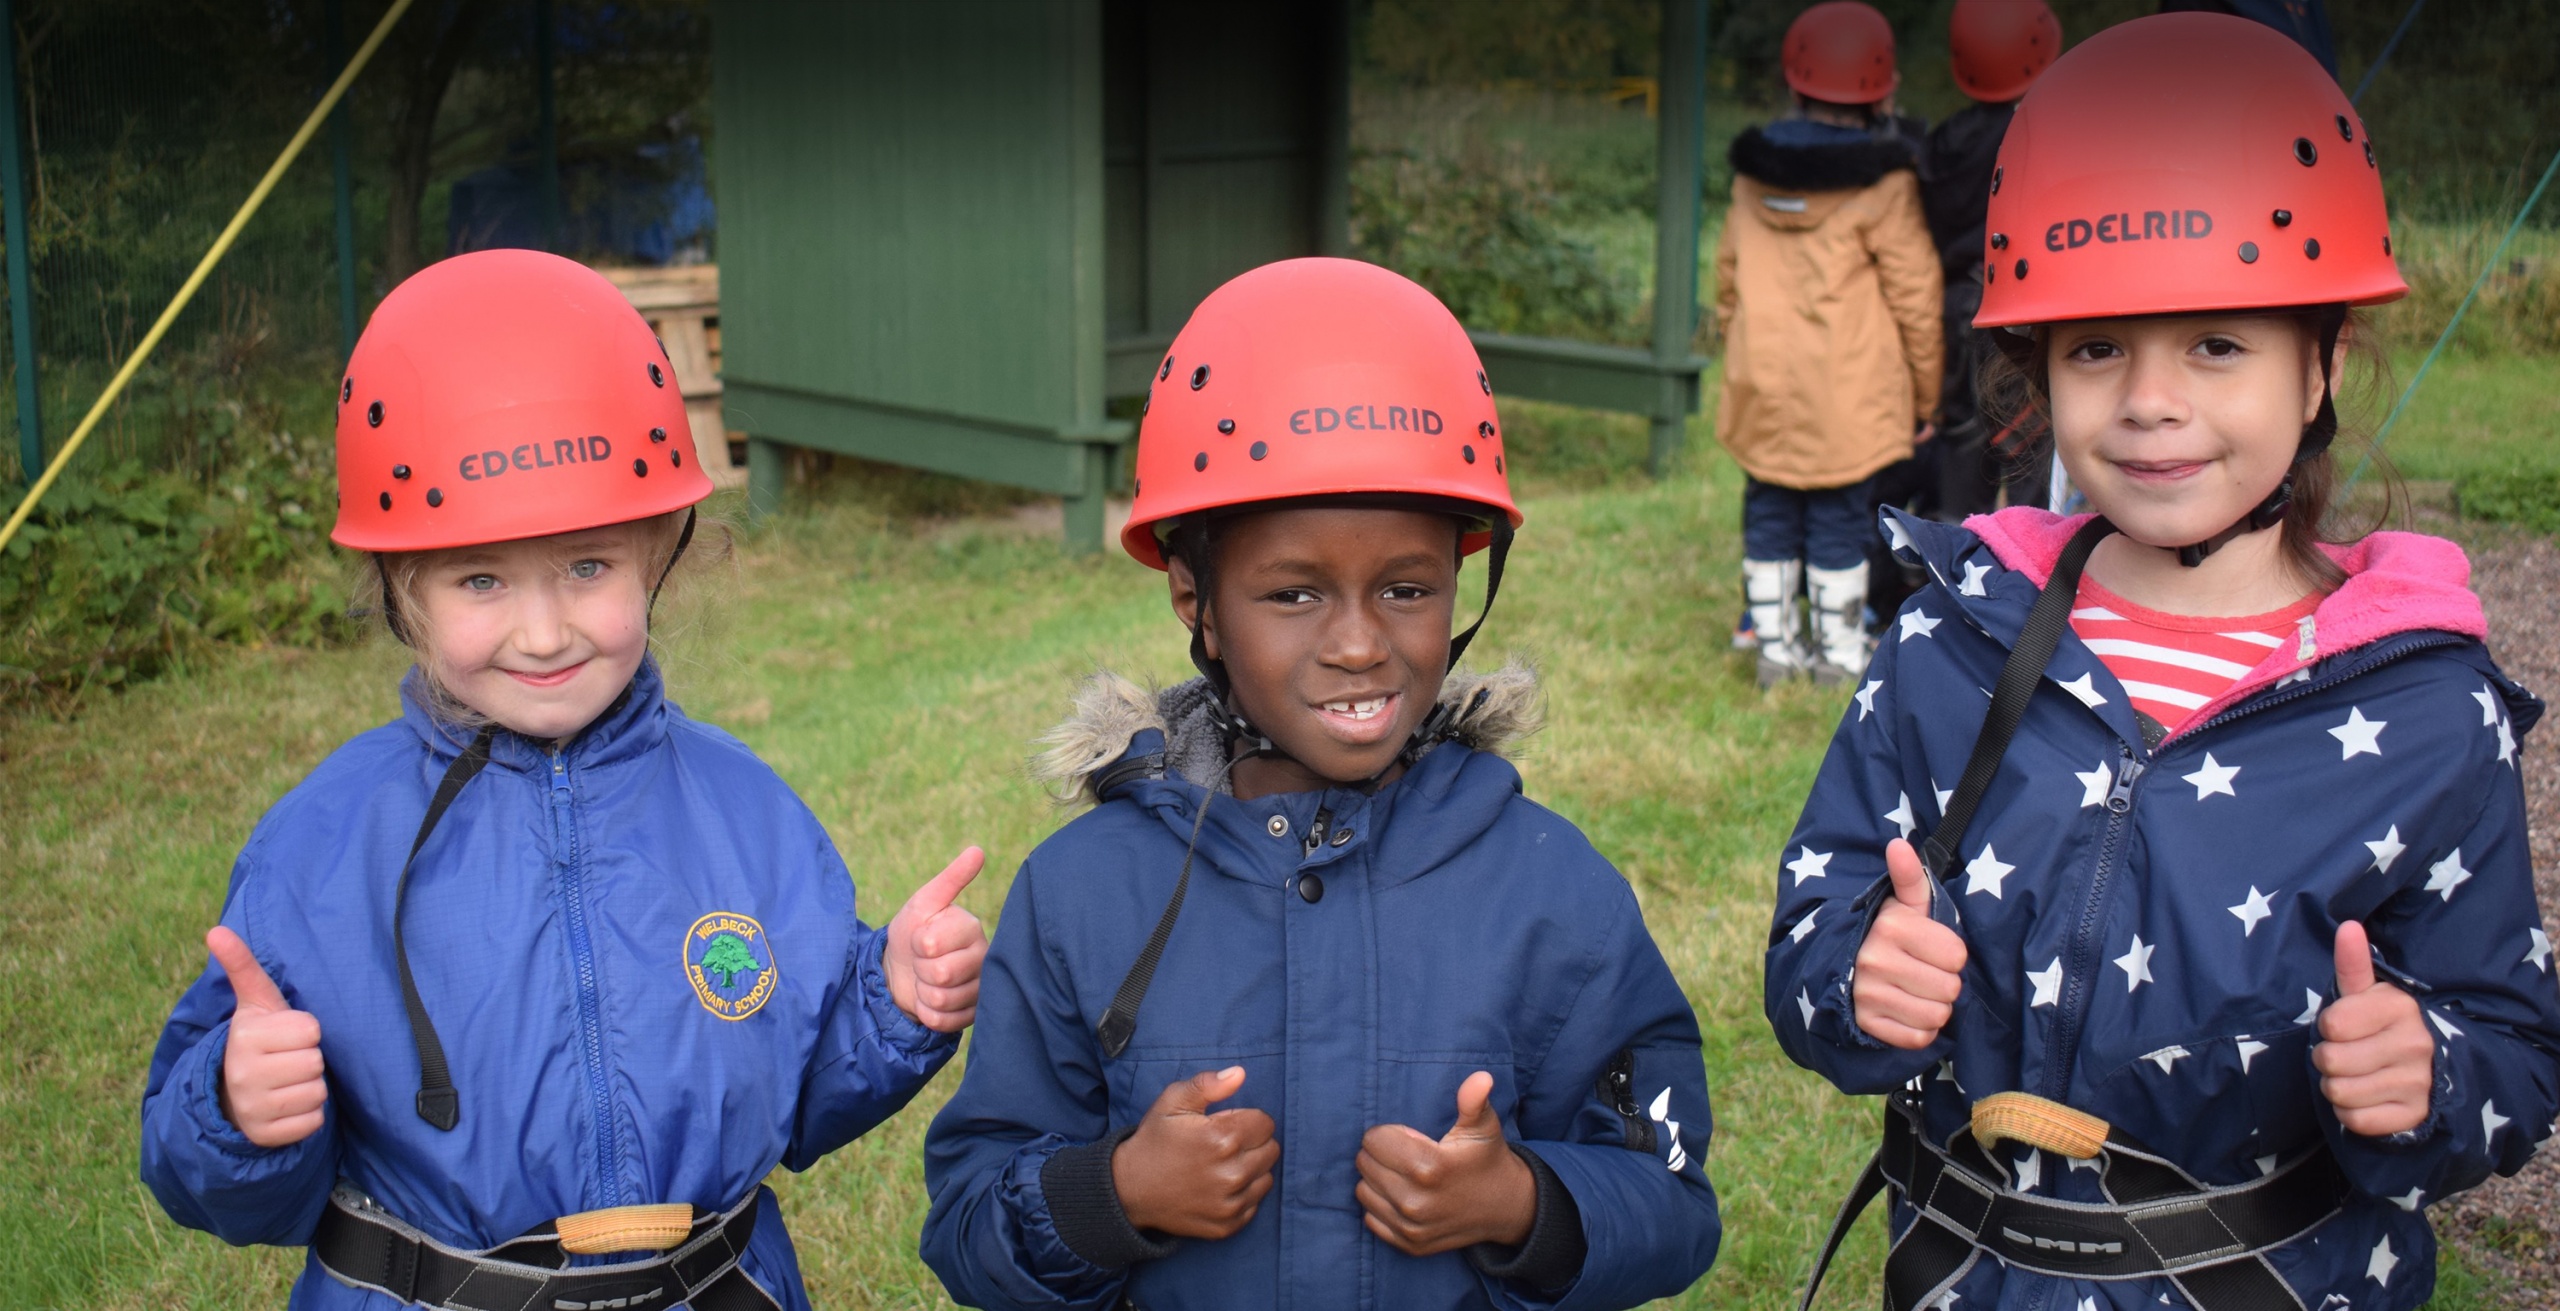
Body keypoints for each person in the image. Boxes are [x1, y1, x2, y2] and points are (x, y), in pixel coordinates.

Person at [1767, 15, 2560, 1311]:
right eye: (2096, 348)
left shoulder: (2426, 712)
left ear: (2324, 363)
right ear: (2039, 370)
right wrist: (1854, 975)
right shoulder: (1947, 641)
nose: (2147, 401)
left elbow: (2515, 1056)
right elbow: (1813, 929)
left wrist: (2431, 1073)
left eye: (2216, 344)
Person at [138, 250, 991, 1311]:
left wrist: (891, 1001)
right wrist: (234, 1107)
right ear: (403, 591)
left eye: (588, 567)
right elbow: (216, 1190)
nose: (543, 633)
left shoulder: (748, 810)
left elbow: (796, 1098)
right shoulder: (321, 845)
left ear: (657, 554)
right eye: (481, 579)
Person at [920, 258, 1720, 1311]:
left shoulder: (1554, 890)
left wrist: (1523, 1204)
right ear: (1193, 598)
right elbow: (969, 1223)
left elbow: (1669, 1207)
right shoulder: (1081, 894)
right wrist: (1111, 1194)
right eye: (1292, 592)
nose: (1357, 644)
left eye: (1405, 588)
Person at [1716, 0, 1943, 687]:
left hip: (1763, 382)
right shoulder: (1887, 182)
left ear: (1795, 82)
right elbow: (1917, 298)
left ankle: (1776, 649)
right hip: (1848, 392)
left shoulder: (1753, 174)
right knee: (1842, 517)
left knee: (1769, 507)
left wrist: (1743, 348)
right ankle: (1840, 653)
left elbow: (1726, 280)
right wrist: (1927, 395)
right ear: (1881, 88)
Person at [1868, 0, 2066, 625]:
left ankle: (1951, 597)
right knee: (2033, 454)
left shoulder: (1942, 142)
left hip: (1957, 306)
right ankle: (2036, 599)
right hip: (2024, 305)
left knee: (1963, 450)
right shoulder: (2049, 132)